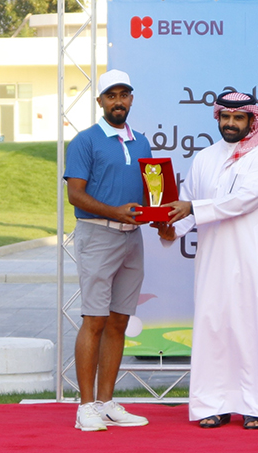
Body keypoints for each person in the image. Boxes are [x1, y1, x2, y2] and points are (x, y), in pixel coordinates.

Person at [155, 91, 258, 429]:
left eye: (238, 118)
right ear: (218, 118)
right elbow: (188, 202)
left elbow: (242, 200)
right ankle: (214, 404)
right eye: (225, 117)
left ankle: (256, 406)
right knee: (215, 329)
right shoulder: (205, 157)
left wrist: (192, 209)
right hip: (215, 261)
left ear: (252, 120)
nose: (231, 123)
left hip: (255, 260)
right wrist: (172, 229)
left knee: (254, 330)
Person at [63, 69, 152, 431]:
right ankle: (85, 407)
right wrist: (115, 211)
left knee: (119, 321)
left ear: (131, 98)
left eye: (124, 95)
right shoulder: (85, 141)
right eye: (111, 95)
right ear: (99, 100)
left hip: (133, 238)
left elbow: (150, 192)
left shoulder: (141, 142)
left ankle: (106, 403)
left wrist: (160, 219)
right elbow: (75, 195)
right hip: (97, 235)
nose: (118, 102)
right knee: (95, 320)